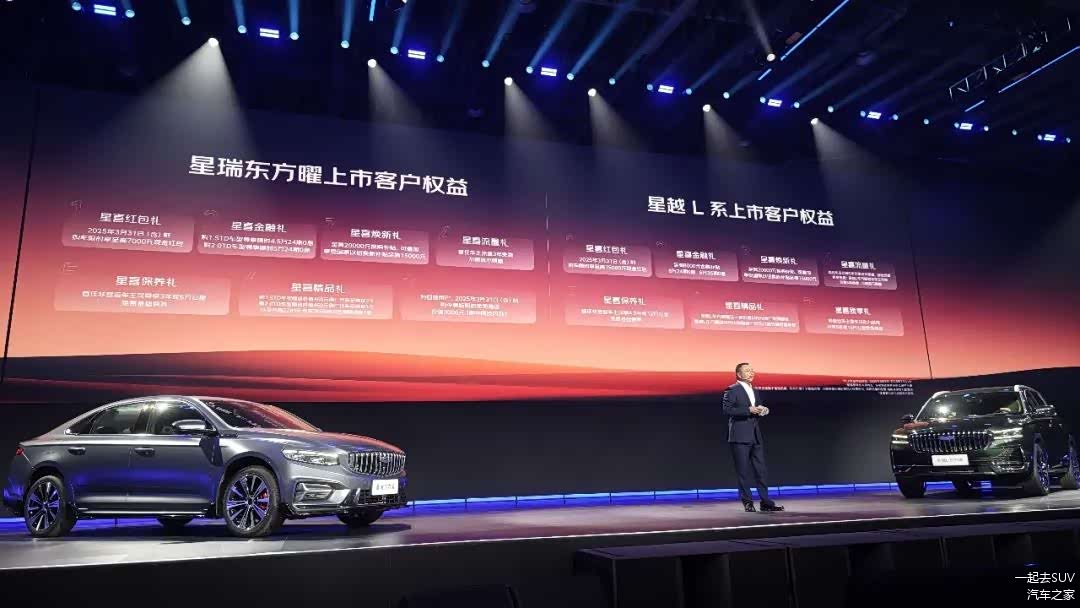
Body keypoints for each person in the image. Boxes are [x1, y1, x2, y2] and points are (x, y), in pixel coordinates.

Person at [722, 362, 784, 512]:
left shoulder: (754, 390)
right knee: (743, 472)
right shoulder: (732, 390)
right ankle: (748, 502)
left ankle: (765, 502)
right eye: (747, 370)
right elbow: (727, 410)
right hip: (739, 436)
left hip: (755, 435)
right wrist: (748, 410)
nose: (751, 372)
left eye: (752, 370)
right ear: (739, 374)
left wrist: (762, 410)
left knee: (761, 471)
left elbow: (757, 408)